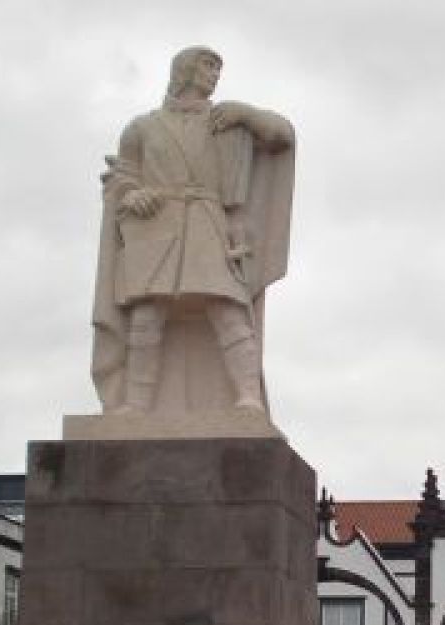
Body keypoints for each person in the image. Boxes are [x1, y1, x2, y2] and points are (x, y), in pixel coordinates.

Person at [91, 46, 295, 417]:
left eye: (218, 68)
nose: (215, 74)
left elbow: (282, 135)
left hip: (207, 223)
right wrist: (133, 195)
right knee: (146, 316)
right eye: (208, 65)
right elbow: (122, 179)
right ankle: (136, 405)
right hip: (157, 228)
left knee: (227, 309)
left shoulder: (226, 121)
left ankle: (248, 397)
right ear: (184, 70)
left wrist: (247, 113)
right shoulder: (142, 127)